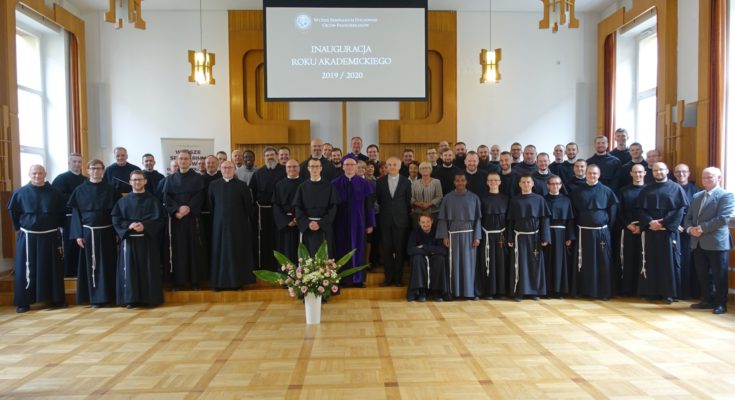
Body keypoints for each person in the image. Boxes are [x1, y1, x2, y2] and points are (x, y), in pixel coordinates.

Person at [8, 165, 66, 313]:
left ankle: (55, 299)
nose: (37, 176)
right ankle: (24, 302)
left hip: (50, 236)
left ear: (45, 174)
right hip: (29, 237)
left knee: (52, 268)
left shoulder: (55, 193)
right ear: (29, 174)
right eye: (34, 173)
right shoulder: (20, 193)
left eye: (40, 173)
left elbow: (61, 214)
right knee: (25, 269)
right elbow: (14, 213)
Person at [68, 160, 121, 307]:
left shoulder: (111, 189)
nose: (96, 171)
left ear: (103, 170)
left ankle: (109, 296)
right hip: (88, 233)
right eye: (93, 168)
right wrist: (78, 234)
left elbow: (117, 213)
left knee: (108, 264)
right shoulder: (80, 190)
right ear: (88, 170)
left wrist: (117, 231)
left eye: (98, 168)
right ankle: (94, 298)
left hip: (107, 232)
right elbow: (76, 214)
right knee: (91, 265)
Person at [111, 170, 166, 308]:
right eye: (134, 180)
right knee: (130, 271)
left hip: (147, 241)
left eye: (140, 179)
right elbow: (116, 220)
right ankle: (131, 300)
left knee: (148, 270)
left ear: (145, 181)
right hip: (129, 241)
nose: (137, 182)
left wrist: (145, 226)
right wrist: (129, 226)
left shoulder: (153, 200)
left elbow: (160, 220)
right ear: (130, 182)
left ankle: (150, 299)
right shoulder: (122, 201)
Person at [637, 162, 689, 304]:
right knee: (651, 261)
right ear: (652, 172)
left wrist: (663, 222)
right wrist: (650, 222)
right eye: (655, 170)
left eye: (661, 169)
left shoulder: (676, 188)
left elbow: (679, 210)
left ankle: (669, 293)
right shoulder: (646, 189)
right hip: (651, 232)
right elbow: (640, 209)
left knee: (669, 263)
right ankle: (652, 292)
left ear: (667, 171)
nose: (658, 172)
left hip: (668, 232)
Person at [684, 167, 734, 314]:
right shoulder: (697, 196)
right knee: (702, 273)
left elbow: (723, 218)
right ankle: (707, 299)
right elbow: (688, 217)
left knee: (719, 275)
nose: (706, 180)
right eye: (704, 177)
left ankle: (721, 303)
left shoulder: (726, 195)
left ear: (719, 178)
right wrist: (690, 229)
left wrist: (700, 229)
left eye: (710, 177)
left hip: (716, 242)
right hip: (697, 241)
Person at [161, 150, 207, 290]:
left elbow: (200, 196)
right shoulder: (170, 179)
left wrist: (188, 208)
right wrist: (177, 210)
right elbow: (166, 198)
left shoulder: (198, 178)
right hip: (176, 220)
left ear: (191, 161)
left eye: (186, 158)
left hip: (193, 219)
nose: (183, 161)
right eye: (181, 158)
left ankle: (195, 282)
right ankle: (178, 282)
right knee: (178, 250)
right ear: (177, 160)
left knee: (194, 249)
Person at [571, 164, 618, 300]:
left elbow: (613, 212)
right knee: (584, 261)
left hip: (601, 233)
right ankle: (583, 290)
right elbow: (574, 212)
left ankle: (603, 292)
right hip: (583, 233)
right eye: (590, 173)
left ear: (599, 174)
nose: (592, 176)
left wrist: (607, 228)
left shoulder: (607, 191)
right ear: (585, 174)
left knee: (603, 261)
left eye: (595, 173)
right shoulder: (577, 191)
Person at [208, 161, 256, 290]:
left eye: (230, 167)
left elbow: (248, 206)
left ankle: (237, 282)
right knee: (219, 252)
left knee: (237, 252)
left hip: (238, 226)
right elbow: (211, 205)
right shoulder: (213, 185)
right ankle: (219, 283)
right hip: (219, 226)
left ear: (234, 169)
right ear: (220, 169)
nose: (227, 170)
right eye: (224, 167)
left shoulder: (242, 185)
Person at [436, 173, 482, 300]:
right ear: (454, 182)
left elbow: (478, 219)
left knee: (469, 264)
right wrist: (445, 236)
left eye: (462, 180)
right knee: (454, 264)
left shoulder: (474, 198)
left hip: (469, 235)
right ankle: (453, 292)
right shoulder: (447, 198)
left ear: (466, 182)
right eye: (457, 180)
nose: (460, 182)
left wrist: (477, 236)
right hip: (453, 235)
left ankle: (469, 292)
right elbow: (443, 219)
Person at [332, 156, 376, 287]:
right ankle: (342, 278)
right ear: (342, 167)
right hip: (340, 222)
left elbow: (369, 206)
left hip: (359, 222)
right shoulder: (334, 183)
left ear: (356, 167)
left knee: (358, 249)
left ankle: (358, 279)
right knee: (341, 249)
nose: (349, 167)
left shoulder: (365, 184)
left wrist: (370, 223)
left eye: (352, 164)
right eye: (347, 164)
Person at [507, 175, 550, 301]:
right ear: (519, 184)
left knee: (534, 264)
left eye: (528, 182)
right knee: (519, 264)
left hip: (535, 237)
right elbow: (510, 221)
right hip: (519, 238)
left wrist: (545, 237)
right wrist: (510, 238)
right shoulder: (514, 200)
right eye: (523, 182)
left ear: (532, 184)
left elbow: (544, 220)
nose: (526, 184)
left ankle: (534, 291)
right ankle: (519, 291)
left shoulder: (539, 199)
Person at [376, 157, 413, 286]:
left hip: (401, 221)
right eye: (389, 164)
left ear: (399, 166)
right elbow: (379, 200)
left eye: (394, 165)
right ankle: (388, 279)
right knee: (386, 250)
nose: (392, 167)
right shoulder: (380, 182)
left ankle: (398, 279)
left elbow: (408, 201)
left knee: (399, 250)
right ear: (386, 166)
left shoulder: (406, 182)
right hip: (385, 220)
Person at [293, 158, 341, 257]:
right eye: (312, 166)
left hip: (324, 227)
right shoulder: (302, 187)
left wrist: (321, 223)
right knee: (308, 257)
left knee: (325, 256)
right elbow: (298, 208)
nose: (314, 169)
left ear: (321, 168)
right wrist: (307, 223)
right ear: (308, 168)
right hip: (307, 228)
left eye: (317, 166)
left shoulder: (329, 186)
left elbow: (333, 208)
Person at [249, 147, 286, 271]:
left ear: (277, 156)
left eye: (272, 154)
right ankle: (264, 266)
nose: (270, 157)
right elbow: (252, 193)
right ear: (264, 158)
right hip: (263, 211)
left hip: (281, 211)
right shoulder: (258, 173)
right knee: (264, 239)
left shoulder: (285, 170)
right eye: (267, 155)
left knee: (279, 238)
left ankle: (281, 266)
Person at [52, 153, 87, 277]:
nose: (77, 164)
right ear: (69, 163)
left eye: (79, 162)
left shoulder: (86, 180)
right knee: (70, 246)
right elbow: (58, 197)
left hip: (84, 218)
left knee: (82, 245)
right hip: (69, 217)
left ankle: (81, 273)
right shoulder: (61, 179)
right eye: (74, 161)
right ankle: (69, 273)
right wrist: (78, 198)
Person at [477, 172, 509, 299]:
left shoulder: (506, 198)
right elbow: (479, 219)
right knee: (487, 262)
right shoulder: (481, 198)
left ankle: (501, 291)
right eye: (490, 180)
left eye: (496, 180)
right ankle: (488, 291)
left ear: (500, 182)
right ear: (487, 182)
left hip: (501, 235)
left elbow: (508, 219)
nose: (493, 182)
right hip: (486, 235)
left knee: (501, 263)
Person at [617, 163, 646, 296]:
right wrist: (628, 225)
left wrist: (643, 226)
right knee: (628, 258)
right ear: (631, 173)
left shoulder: (649, 190)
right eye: (635, 172)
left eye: (640, 172)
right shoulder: (623, 191)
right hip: (628, 228)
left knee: (644, 258)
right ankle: (627, 289)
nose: (638, 174)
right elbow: (619, 211)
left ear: (644, 173)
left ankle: (643, 289)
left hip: (645, 229)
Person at [673, 163, 701, 299]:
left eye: (684, 171)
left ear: (689, 173)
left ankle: (689, 292)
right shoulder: (671, 188)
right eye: (678, 172)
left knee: (689, 262)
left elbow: (697, 212)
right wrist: (674, 224)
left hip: (689, 231)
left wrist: (687, 226)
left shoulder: (697, 191)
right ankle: (675, 291)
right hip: (673, 230)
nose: (681, 174)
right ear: (674, 174)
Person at [406, 213, 449, 302]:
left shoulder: (437, 232)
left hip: (434, 257)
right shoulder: (415, 233)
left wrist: (424, 247)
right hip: (422, 257)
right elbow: (410, 250)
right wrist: (430, 251)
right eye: (423, 222)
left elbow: (443, 250)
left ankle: (437, 291)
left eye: (428, 221)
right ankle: (421, 291)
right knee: (417, 258)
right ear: (419, 223)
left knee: (440, 259)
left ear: (432, 221)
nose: (426, 224)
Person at [544, 175, 575, 298]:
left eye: (557, 184)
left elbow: (570, 220)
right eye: (552, 184)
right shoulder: (543, 199)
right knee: (547, 261)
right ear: (548, 186)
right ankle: (547, 290)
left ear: (561, 185)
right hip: (547, 234)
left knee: (560, 262)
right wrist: (543, 236)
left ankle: (559, 290)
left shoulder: (566, 200)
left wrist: (569, 236)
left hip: (561, 235)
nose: (555, 186)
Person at [273, 160, 303, 262]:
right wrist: (286, 221)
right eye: (289, 167)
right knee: (285, 250)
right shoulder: (279, 185)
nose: (292, 169)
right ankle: (286, 270)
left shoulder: (305, 183)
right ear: (285, 169)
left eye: (294, 166)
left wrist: (298, 218)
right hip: (285, 224)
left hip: (301, 222)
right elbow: (276, 205)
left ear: (299, 168)